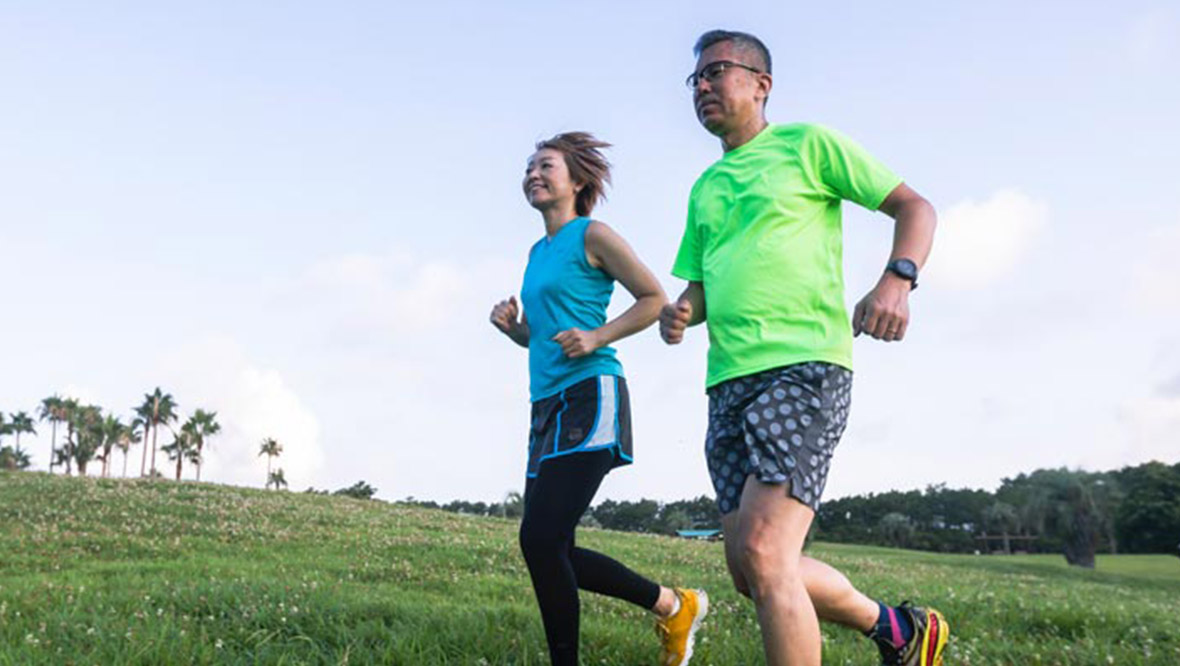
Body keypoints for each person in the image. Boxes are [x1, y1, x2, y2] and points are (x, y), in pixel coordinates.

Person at [659, 30, 947, 666]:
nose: (702, 86)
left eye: (717, 73)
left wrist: (897, 281)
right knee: (752, 570)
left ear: (762, 85)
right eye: (695, 80)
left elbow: (914, 206)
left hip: (803, 366)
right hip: (727, 381)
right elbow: (701, 283)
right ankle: (898, 630)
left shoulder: (806, 145)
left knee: (766, 554)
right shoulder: (705, 187)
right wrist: (684, 311)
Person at [490, 132, 708, 666]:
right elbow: (548, 334)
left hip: (592, 394)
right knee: (549, 545)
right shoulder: (537, 252)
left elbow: (654, 297)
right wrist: (518, 331)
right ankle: (672, 606)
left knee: (541, 539)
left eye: (546, 166)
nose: (533, 175)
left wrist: (597, 337)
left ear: (578, 181)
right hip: (546, 406)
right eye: (529, 168)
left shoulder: (594, 234)